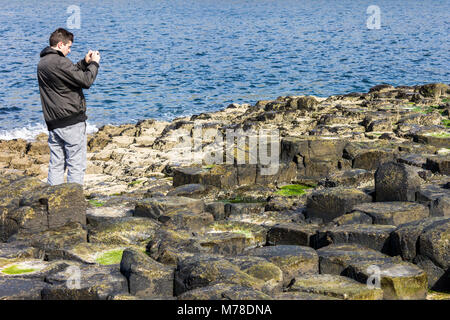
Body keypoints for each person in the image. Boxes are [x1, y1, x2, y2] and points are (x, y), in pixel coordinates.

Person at [37, 28, 100, 186]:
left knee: (56, 165)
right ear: (60, 44)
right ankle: (73, 203)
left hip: (53, 122)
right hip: (71, 121)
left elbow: (68, 74)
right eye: (69, 47)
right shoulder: (60, 62)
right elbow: (86, 81)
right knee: (76, 166)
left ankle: (52, 201)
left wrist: (84, 63)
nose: (69, 50)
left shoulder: (43, 63)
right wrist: (94, 64)